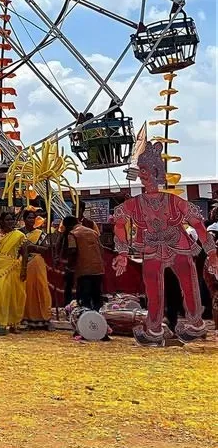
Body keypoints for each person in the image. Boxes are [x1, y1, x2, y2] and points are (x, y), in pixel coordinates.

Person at [113, 141, 218, 346]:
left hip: (177, 245)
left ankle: (195, 323)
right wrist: (123, 253)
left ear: (156, 173)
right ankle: (154, 328)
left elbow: (198, 225)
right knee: (154, 287)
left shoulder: (173, 201)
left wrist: (212, 253)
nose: (143, 176)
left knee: (187, 284)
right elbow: (119, 223)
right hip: (155, 248)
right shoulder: (136, 203)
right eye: (141, 171)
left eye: (145, 171)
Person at [0, 210, 29, 331]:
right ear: (2, 221)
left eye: (12, 219)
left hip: (13, 268)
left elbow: (25, 253)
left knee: (14, 295)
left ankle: (14, 323)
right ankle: (0, 322)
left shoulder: (19, 235)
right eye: (7, 220)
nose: (10, 222)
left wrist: (24, 269)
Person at [62, 215, 105, 312]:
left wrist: (69, 267)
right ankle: (98, 318)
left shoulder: (72, 234)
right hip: (98, 269)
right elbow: (101, 249)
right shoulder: (93, 232)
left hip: (84, 271)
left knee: (84, 300)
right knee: (97, 298)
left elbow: (72, 251)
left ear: (68, 226)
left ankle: (86, 319)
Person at [21, 209, 52, 329]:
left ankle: (44, 319)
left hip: (37, 263)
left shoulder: (41, 234)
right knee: (26, 290)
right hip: (23, 264)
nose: (31, 220)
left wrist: (32, 247)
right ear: (24, 219)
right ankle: (26, 319)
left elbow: (46, 249)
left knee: (41, 288)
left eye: (33, 218)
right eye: (29, 217)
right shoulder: (18, 233)